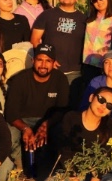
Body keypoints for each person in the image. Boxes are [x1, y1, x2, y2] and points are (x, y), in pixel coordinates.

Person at [36, 87, 112, 181]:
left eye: (109, 105)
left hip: (95, 176)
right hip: (72, 175)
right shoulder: (71, 118)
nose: (103, 106)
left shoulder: (110, 124)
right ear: (91, 98)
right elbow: (64, 151)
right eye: (101, 99)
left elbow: (105, 156)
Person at [5, 44, 70, 172]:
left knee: (63, 129)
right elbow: (10, 113)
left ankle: (56, 165)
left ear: (53, 63)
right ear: (33, 61)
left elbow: (63, 110)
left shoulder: (60, 79)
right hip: (23, 121)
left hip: (48, 120)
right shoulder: (19, 79)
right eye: (40, 60)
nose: (43, 65)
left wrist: (47, 124)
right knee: (9, 132)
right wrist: (25, 128)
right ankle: (20, 164)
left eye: (48, 61)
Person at [31, 0, 87, 88]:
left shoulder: (83, 19)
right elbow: (35, 40)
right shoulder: (46, 15)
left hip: (74, 72)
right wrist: (47, 59)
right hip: (50, 70)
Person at [79, 49, 112, 123]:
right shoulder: (95, 82)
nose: (111, 66)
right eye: (107, 62)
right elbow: (84, 107)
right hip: (95, 124)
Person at [82, 0, 112, 81]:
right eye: (94, 0)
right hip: (88, 63)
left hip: (106, 65)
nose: (99, 2)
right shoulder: (89, 17)